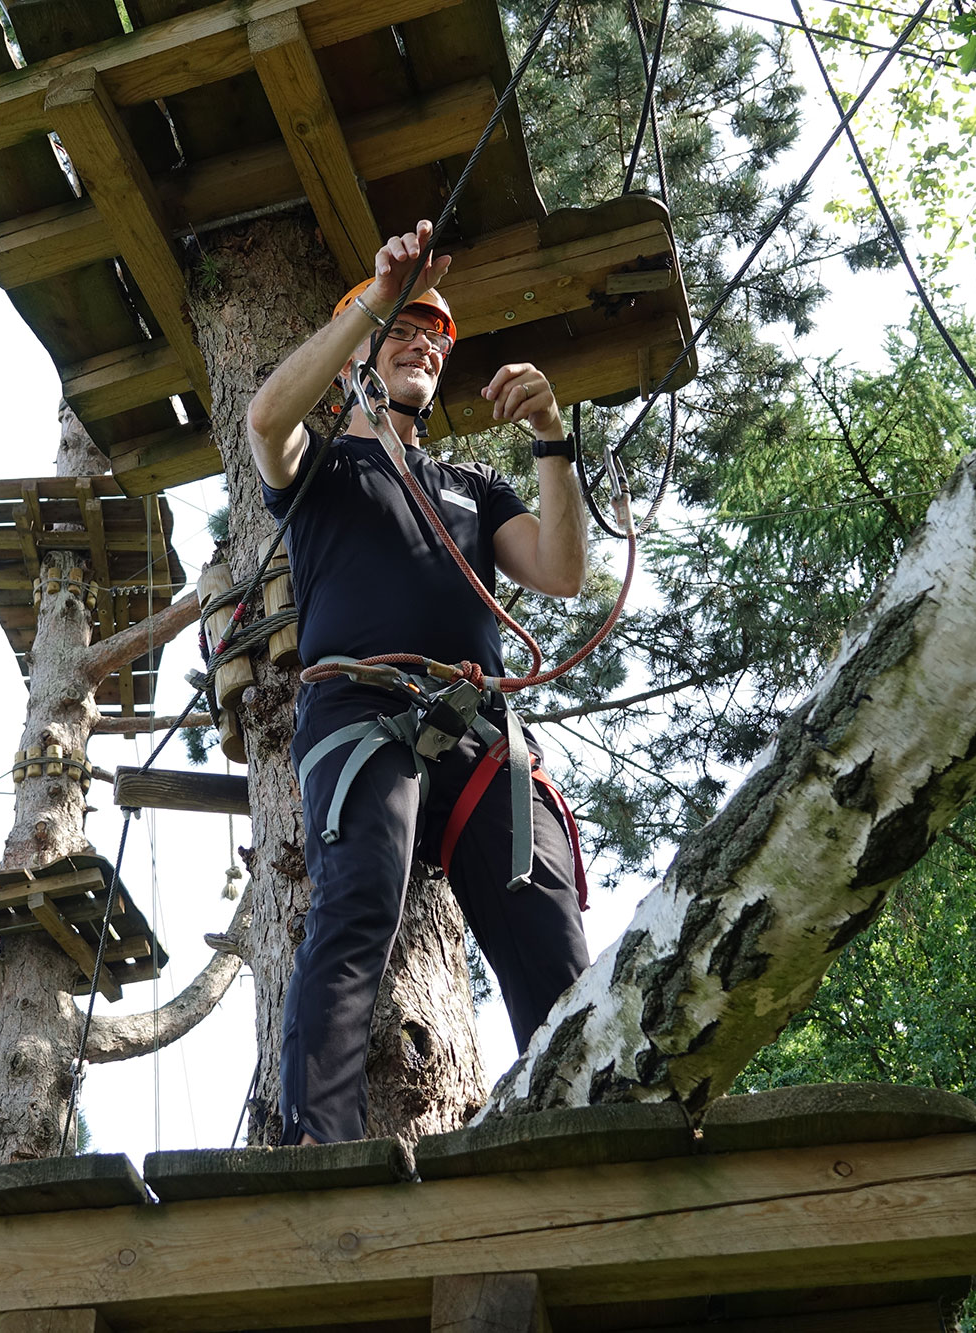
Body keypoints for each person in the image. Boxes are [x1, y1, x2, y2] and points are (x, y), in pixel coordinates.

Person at [245, 220, 592, 1146]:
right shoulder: (322, 467)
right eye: (402, 331)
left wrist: (551, 438)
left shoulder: (473, 488)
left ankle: (586, 1123)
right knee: (359, 895)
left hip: (480, 729)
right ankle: (319, 1144)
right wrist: (374, 296)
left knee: (544, 920)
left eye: (435, 338)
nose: (423, 347)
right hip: (361, 709)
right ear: (358, 353)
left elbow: (561, 571)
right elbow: (266, 420)